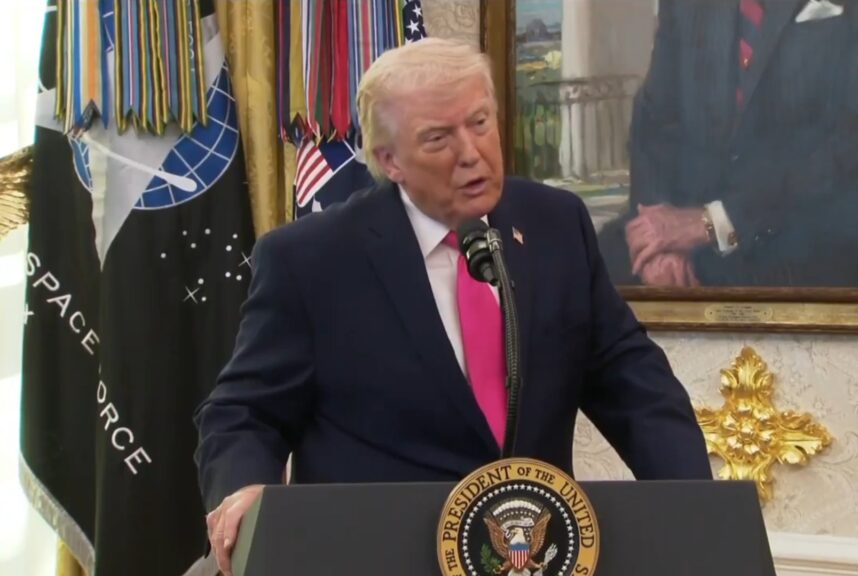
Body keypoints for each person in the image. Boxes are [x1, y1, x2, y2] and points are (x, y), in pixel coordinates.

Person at [194, 38, 711, 574]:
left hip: (533, 554)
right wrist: (246, 488)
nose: (471, 152)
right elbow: (243, 411)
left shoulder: (555, 224)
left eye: (480, 123)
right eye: (439, 138)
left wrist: (696, 508)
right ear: (389, 160)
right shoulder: (311, 260)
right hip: (374, 557)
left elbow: (632, 380)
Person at [600, 0, 858, 288]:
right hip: (689, 241)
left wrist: (715, 223)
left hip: (811, 239)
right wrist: (656, 241)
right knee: (586, 266)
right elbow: (656, 122)